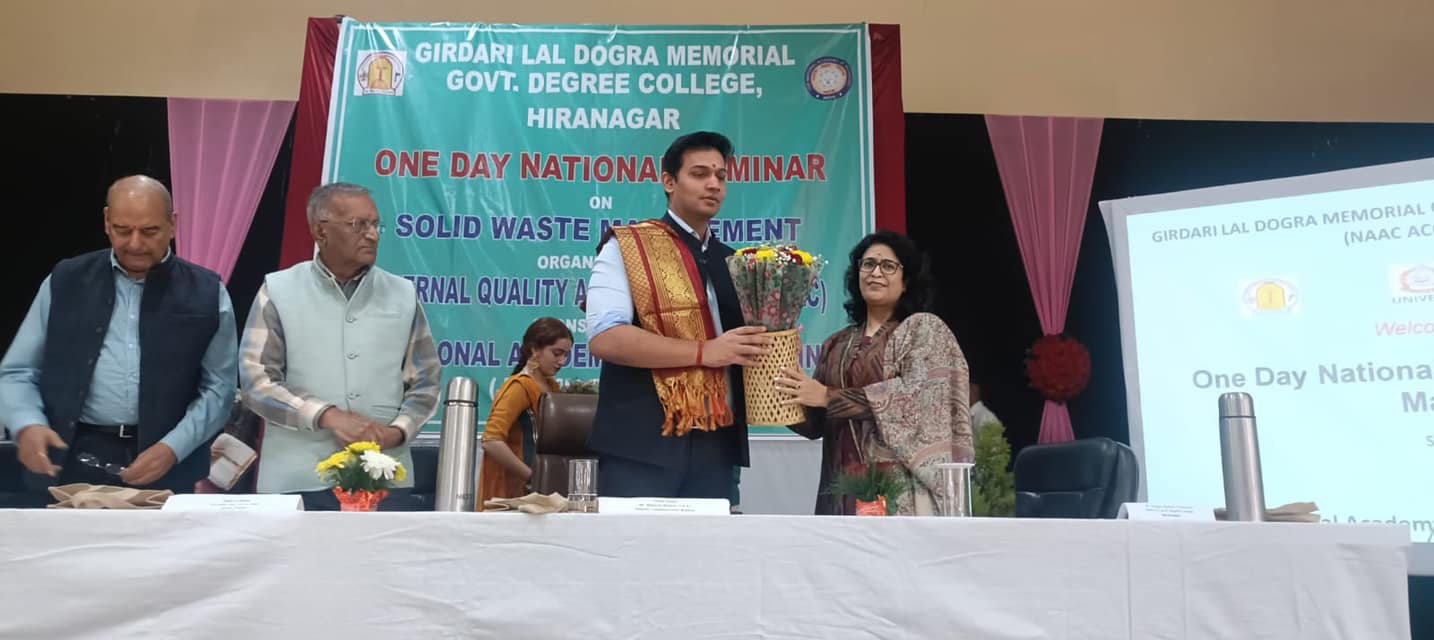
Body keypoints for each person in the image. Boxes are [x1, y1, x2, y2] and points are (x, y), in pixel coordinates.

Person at [0, 175, 238, 497]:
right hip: (70, 459)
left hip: (167, 464)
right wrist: (27, 423)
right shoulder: (66, 280)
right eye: (123, 230)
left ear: (172, 224)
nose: (135, 244)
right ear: (106, 222)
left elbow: (219, 388)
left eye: (150, 231)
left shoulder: (207, 292)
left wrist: (173, 447)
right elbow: (18, 371)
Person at [584, 131, 771, 499]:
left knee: (711, 541)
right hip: (640, 448)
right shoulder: (629, 246)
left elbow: (743, 350)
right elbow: (606, 338)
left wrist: (774, 345)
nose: (714, 184)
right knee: (633, 540)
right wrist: (705, 351)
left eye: (721, 176)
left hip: (717, 449)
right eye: (700, 174)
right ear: (669, 182)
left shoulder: (735, 262)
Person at [238, 182, 441, 510]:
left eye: (375, 225)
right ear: (321, 231)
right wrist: (326, 415)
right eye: (359, 225)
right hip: (297, 481)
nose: (372, 235)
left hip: (384, 476)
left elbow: (427, 381)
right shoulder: (278, 290)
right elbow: (256, 381)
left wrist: (397, 432)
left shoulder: (403, 294)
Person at [774, 230, 974, 515]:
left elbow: (914, 400)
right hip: (840, 492)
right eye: (868, 264)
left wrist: (829, 397)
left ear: (906, 282)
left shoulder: (923, 331)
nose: (875, 272)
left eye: (888, 266)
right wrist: (780, 370)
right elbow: (815, 424)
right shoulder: (836, 343)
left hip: (897, 495)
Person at [478, 317, 573, 504]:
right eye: (557, 353)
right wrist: (532, 476)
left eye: (566, 355)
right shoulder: (519, 387)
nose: (562, 361)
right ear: (534, 350)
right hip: (514, 497)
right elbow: (491, 441)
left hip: (545, 494)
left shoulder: (552, 387)